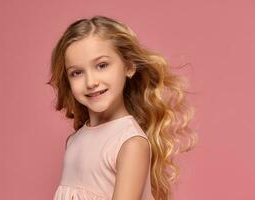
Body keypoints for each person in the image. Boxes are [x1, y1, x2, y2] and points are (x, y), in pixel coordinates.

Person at [47, 15, 198, 200]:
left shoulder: (130, 143)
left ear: (128, 66)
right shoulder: (74, 141)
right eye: (77, 73)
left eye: (102, 65)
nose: (91, 82)